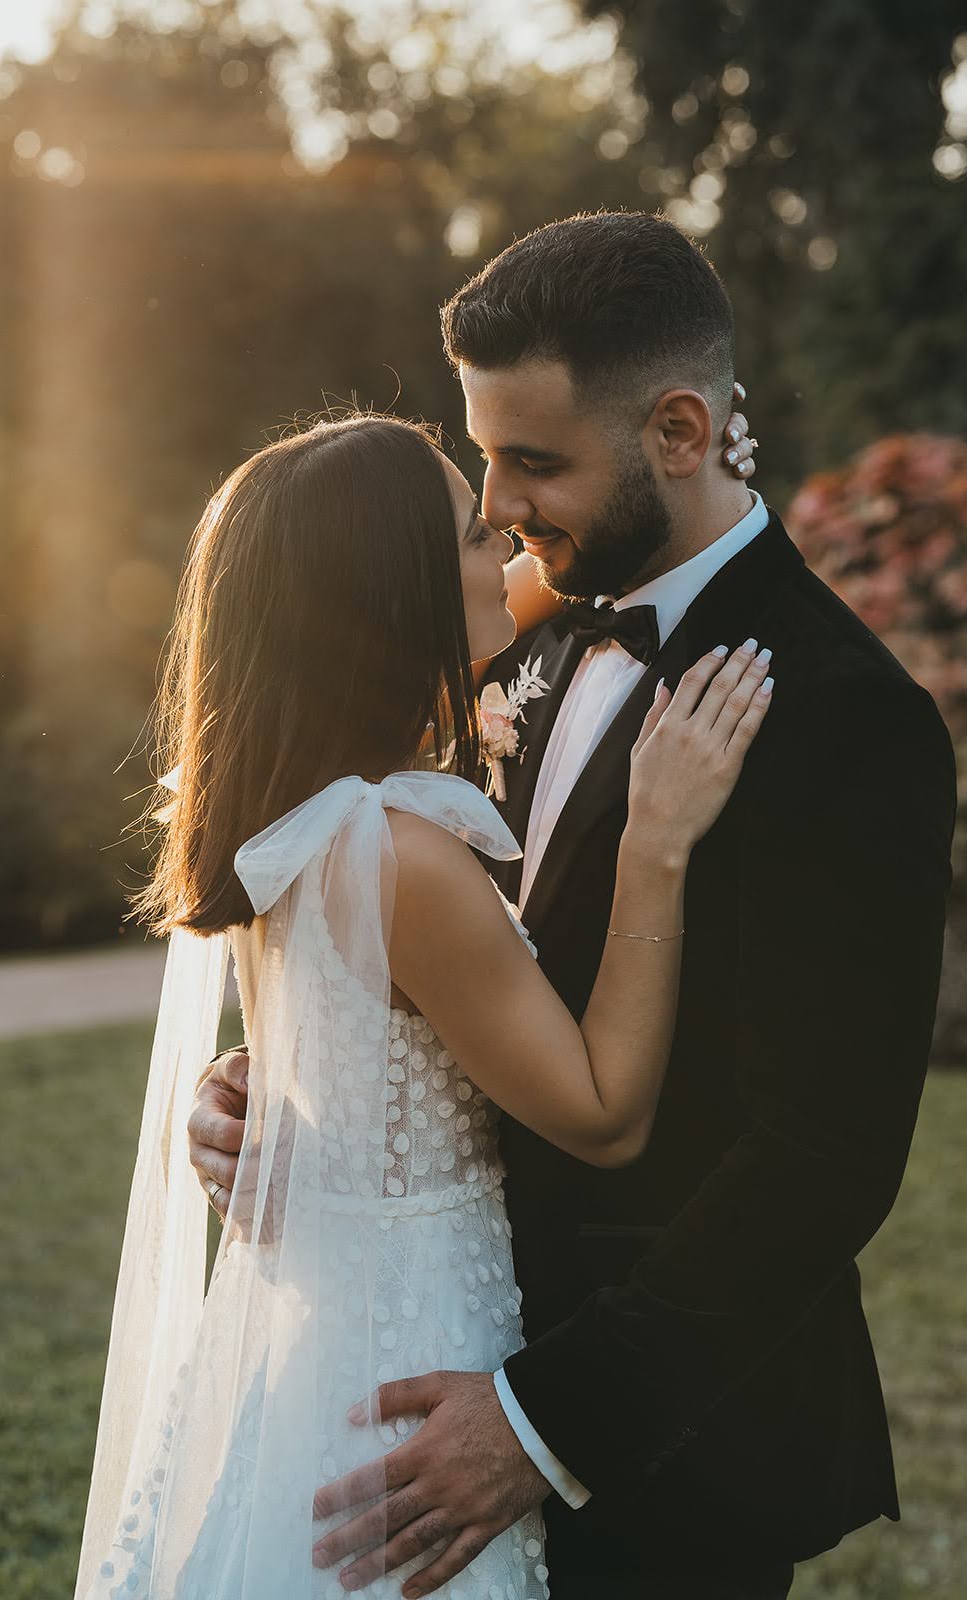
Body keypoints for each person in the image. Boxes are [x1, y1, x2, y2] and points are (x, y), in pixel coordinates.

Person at [191, 212, 957, 1599]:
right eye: (479, 457)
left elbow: (822, 1158)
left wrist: (546, 1425)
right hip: (427, 1357)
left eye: (530, 462)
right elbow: (455, 976)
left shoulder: (845, 720)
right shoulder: (527, 640)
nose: (493, 509)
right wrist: (285, 1089)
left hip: (667, 1450)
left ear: (676, 431)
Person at [76, 391, 771, 1599]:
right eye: (468, 531)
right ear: (392, 601)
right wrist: (656, 839)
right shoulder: (404, 855)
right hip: (409, 1355)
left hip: (319, 1345)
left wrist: (687, 466)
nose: (505, 538)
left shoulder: (299, 820)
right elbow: (602, 1110)